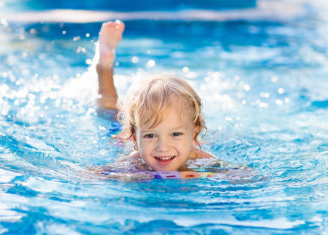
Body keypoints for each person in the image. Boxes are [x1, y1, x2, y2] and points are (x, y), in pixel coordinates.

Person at [91, 20, 251, 181]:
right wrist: (131, 177)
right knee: (109, 110)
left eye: (175, 134)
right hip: (122, 134)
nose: (163, 147)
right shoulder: (134, 162)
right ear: (134, 138)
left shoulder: (200, 158)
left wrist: (202, 174)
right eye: (150, 135)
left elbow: (246, 176)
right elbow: (89, 175)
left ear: (195, 131)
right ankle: (104, 66)